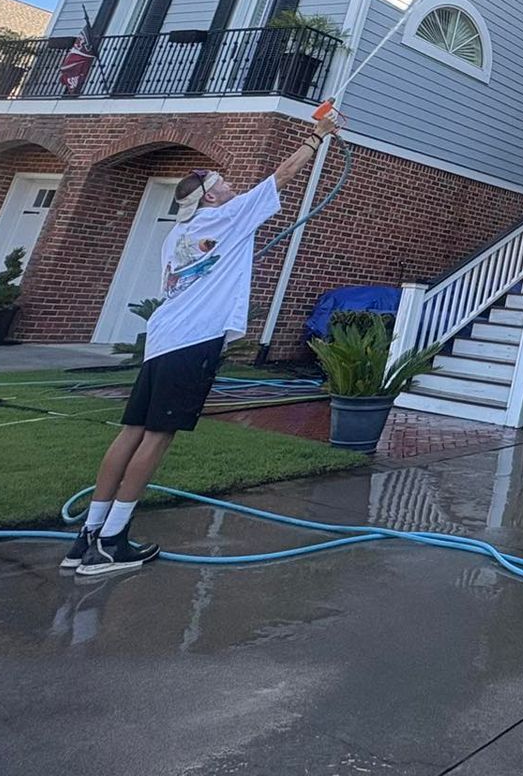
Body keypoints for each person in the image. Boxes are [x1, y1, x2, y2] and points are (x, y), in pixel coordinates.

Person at [68, 109, 340, 576]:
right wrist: (319, 136)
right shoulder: (228, 215)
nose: (230, 185)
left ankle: (87, 537)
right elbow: (284, 174)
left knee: (131, 431)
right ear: (210, 197)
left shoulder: (177, 234)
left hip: (162, 339)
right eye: (221, 182)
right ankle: (111, 542)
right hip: (193, 341)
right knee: (158, 436)